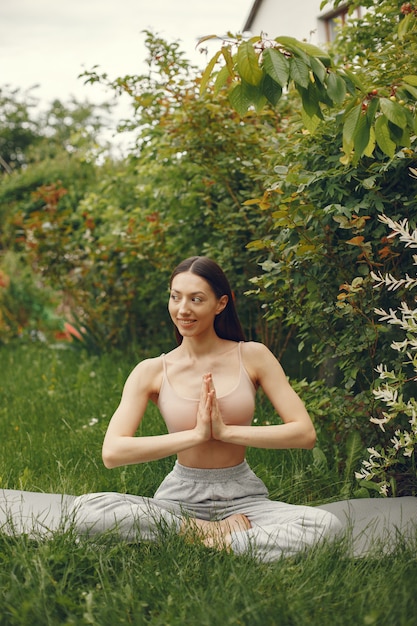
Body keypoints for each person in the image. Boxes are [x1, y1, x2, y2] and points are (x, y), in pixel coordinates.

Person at [70, 256, 342, 562]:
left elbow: (304, 433)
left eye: (196, 299)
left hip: (244, 500)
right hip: (178, 501)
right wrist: (197, 435)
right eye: (176, 297)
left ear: (220, 303)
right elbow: (113, 452)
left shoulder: (253, 356)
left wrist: (225, 432)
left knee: (326, 527)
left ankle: (198, 541)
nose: (183, 309)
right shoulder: (151, 371)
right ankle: (207, 534)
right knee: (85, 510)